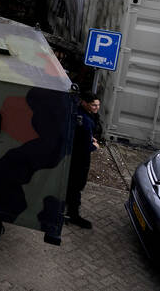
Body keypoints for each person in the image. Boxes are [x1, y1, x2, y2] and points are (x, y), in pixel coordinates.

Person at [65, 92, 101, 229]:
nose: (96, 108)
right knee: (76, 186)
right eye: (93, 105)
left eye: (98, 105)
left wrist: (89, 138)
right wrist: (94, 146)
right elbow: (84, 146)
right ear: (84, 103)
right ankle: (73, 215)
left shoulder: (80, 113)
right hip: (79, 160)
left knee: (71, 185)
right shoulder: (85, 121)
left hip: (72, 156)